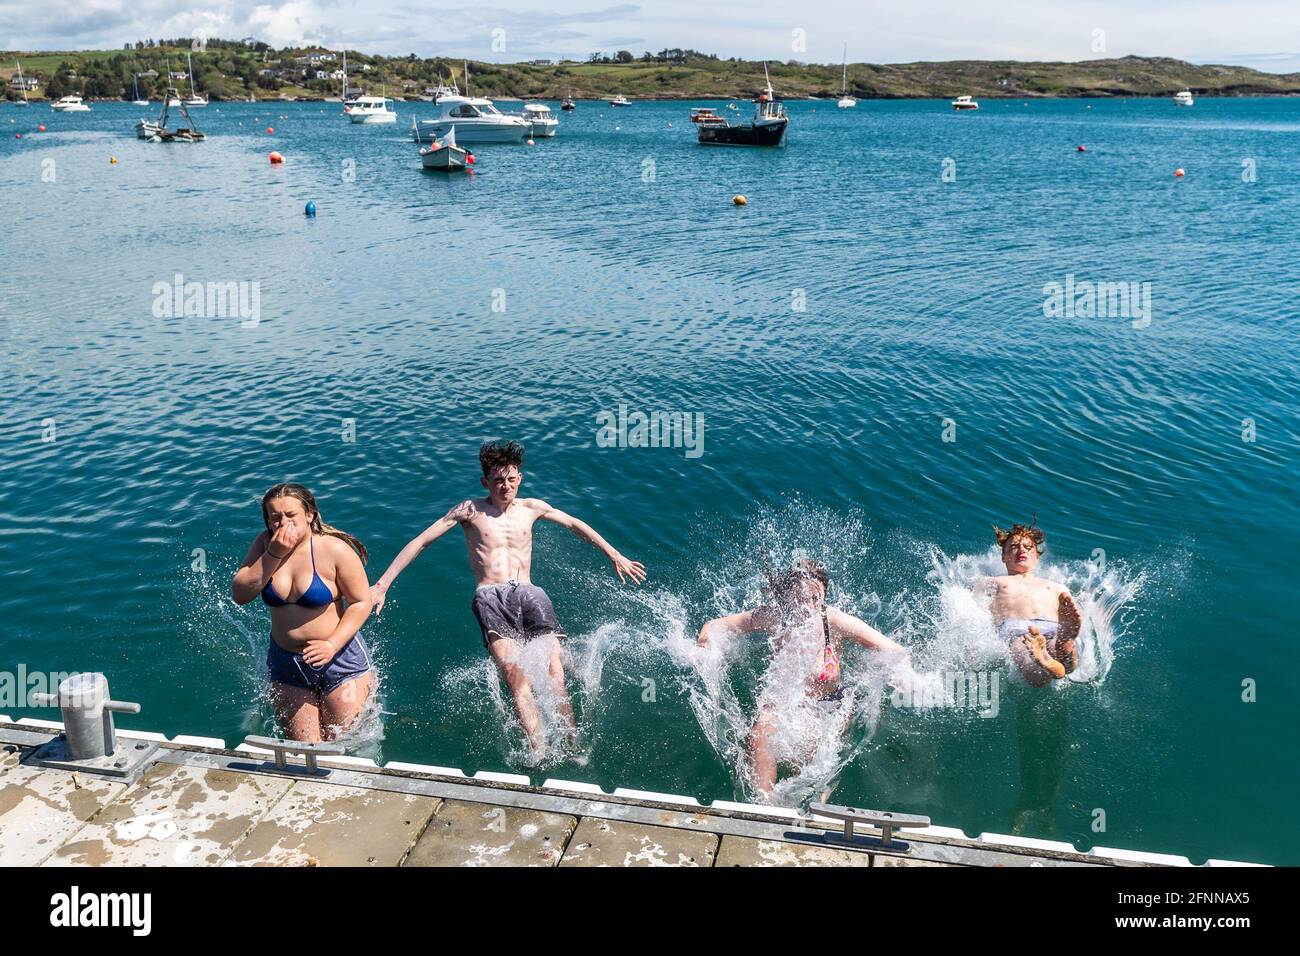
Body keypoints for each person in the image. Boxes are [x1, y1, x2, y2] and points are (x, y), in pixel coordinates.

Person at [369, 441, 645, 753]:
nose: (506, 486)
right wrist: (382, 584)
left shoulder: (531, 508)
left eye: (512, 479)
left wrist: (614, 554)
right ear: (485, 482)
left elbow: (573, 523)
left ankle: (572, 744)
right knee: (515, 675)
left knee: (555, 670)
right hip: (490, 596)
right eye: (498, 480)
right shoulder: (469, 510)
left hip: (529, 592)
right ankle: (538, 748)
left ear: (520, 478)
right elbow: (421, 542)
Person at [696, 558, 908, 798]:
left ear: (824, 596)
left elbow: (895, 651)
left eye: (815, 598)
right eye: (800, 597)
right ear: (787, 595)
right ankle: (762, 808)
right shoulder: (773, 616)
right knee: (758, 735)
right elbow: (715, 626)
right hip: (784, 700)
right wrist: (704, 648)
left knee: (813, 762)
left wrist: (904, 677)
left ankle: (814, 810)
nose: (807, 605)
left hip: (827, 704)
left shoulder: (835, 621)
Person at [232, 483, 374, 742]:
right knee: (302, 749)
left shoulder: (334, 549)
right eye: (274, 517)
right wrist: (274, 554)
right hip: (287, 664)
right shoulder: (265, 544)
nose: (282, 523)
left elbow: (361, 602)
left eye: (290, 515)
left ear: (309, 515)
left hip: (339, 660)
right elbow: (241, 595)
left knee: (344, 744)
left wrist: (331, 644)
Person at [974, 521, 1082, 687]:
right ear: (1004, 556)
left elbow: (1071, 610)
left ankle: (1065, 643)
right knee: (1025, 654)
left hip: (1053, 626)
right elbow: (972, 607)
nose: (1022, 549)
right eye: (1014, 546)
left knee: (1061, 651)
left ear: (1037, 557)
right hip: (1016, 629)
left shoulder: (1055, 586)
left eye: (1028, 547)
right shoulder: (994, 581)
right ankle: (1046, 660)